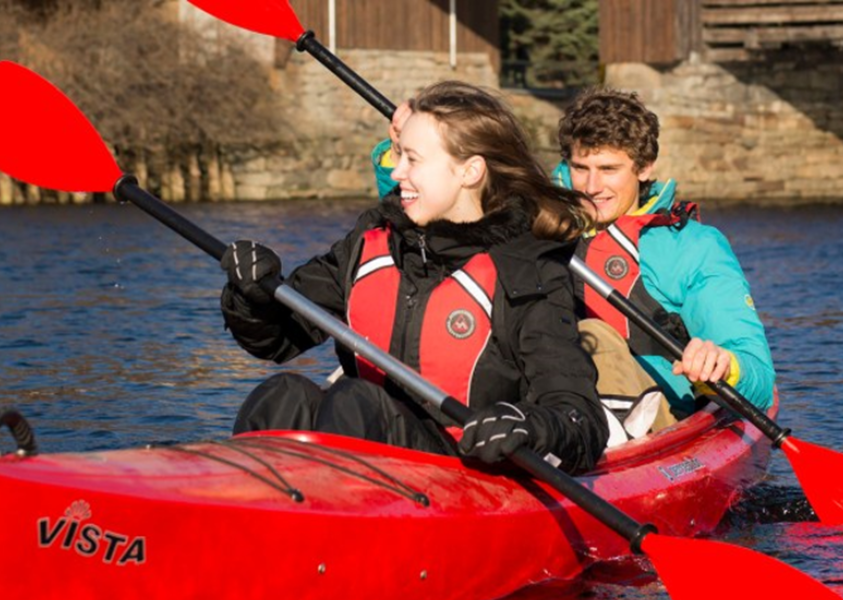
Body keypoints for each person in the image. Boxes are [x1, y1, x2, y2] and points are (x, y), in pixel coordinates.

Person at [222, 81, 608, 474]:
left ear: (470, 171)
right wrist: (252, 294)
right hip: (366, 445)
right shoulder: (373, 240)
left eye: (412, 159)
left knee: (356, 401)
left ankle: (320, 518)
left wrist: (527, 424)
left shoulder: (526, 268)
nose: (398, 171)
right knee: (284, 395)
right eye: (399, 155)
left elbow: (580, 420)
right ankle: (232, 508)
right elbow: (276, 339)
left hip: (461, 472)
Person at [552, 87, 776, 426]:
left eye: (609, 169)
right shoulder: (537, 230)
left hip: (659, 418)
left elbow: (759, 380)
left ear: (644, 168)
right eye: (580, 168)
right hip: (551, 405)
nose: (591, 186)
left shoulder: (693, 248)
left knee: (595, 336)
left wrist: (725, 364)